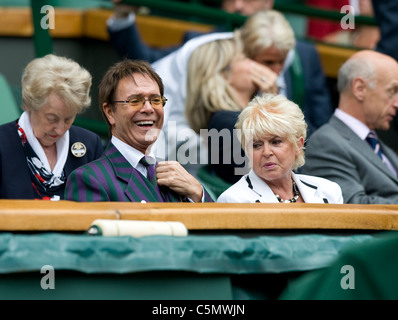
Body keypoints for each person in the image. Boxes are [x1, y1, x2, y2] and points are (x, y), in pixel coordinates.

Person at [150, 10, 333, 167]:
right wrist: (270, 108)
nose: (276, 71)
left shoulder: (288, 53)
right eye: (268, 62)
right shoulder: (213, 56)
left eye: (281, 62)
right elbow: (264, 168)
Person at [64, 59, 214, 203]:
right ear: (110, 112)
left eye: (155, 100)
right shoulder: (90, 179)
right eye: (135, 101)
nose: (148, 108)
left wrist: (197, 192)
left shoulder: (176, 173)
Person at [0, 54, 103, 200]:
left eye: (68, 118)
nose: (60, 129)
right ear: (29, 105)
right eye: (51, 118)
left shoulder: (90, 145)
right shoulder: (3, 144)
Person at [301, 50, 398, 204]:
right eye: (391, 91)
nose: (396, 103)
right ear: (359, 88)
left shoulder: (377, 144)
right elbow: (353, 206)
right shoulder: (326, 143)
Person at [217, 93, 343, 204]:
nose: (266, 152)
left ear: (298, 145)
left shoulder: (328, 191)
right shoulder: (235, 200)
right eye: (256, 145)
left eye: (276, 142)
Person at [106, 0, 274, 63]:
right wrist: (123, 14)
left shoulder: (296, 53)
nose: (238, 5)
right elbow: (147, 64)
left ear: (268, 2)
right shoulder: (202, 42)